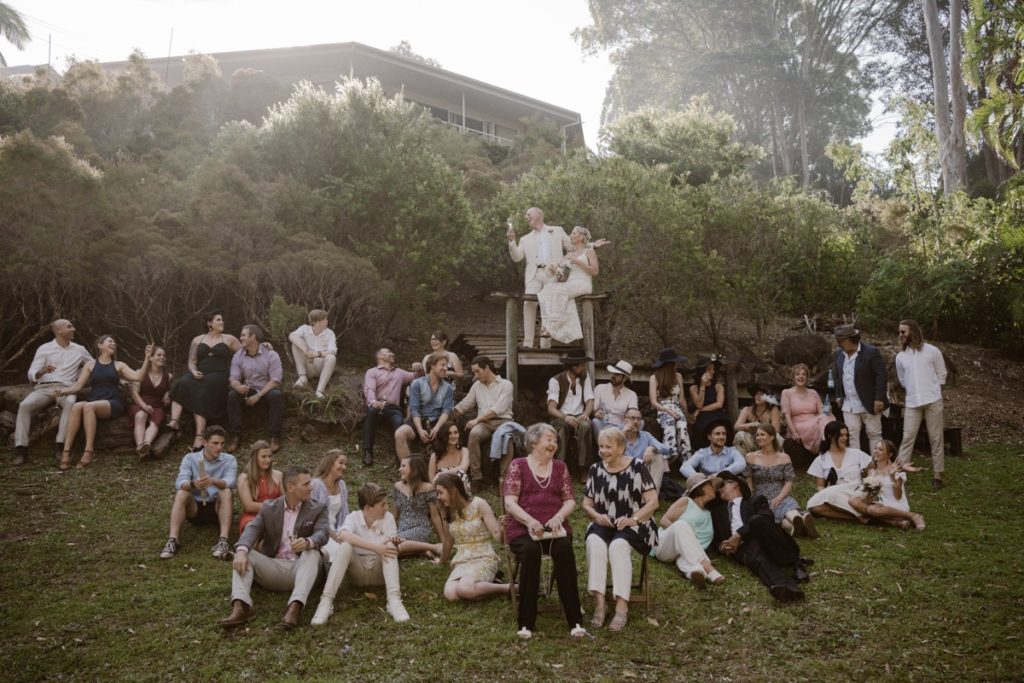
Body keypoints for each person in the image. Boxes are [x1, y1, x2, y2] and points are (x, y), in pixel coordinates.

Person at [503, 423, 588, 640]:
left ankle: (575, 619)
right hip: (523, 529)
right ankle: (526, 622)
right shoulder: (518, 465)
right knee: (531, 552)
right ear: (533, 442)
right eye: (549, 439)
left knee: (564, 549)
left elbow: (570, 501)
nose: (553, 444)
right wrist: (530, 521)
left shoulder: (560, 467)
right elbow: (510, 502)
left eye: (555, 441)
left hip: (555, 529)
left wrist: (559, 517)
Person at [218, 465, 328, 630]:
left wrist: (308, 542)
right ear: (290, 487)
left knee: (313, 553)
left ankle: (294, 608)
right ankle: (241, 607)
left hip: (303, 569)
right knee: (244, 552)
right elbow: (252, 530)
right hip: (274, 567)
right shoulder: (269, 507)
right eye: (306, 484)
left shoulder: (318, 507)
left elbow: (322, 533)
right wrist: (241, 551)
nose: (311, 487)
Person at [582, 427, 659, 632]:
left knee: (617, 546)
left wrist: (633, 519)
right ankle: (600, 604)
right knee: (594, 542)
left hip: (635, 523)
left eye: (608, 446)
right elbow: (586, 504)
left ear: (621, 447)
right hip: (604, 522)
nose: (603, 451)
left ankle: (622, 606)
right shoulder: (595, 469)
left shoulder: (637, 466)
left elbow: (653, 502)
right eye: (601, 446)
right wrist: (596, 516)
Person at [310, 483, 410, 626]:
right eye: (382, 505)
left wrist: (394, 544)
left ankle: (394, 600)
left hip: (380, 571)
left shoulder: (388, 518)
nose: (387, 508)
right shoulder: (353, 517)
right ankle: (326, 601)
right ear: (367, 508)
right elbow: (342, 535)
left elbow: (391, 549)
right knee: (345, 546)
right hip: (358, 572)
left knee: (389, 546)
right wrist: (375, 547)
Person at [711, 471, 810, 602]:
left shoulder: (755, 500)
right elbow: (715, 538)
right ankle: (789, 590)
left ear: (735, 484)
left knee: (756, 521)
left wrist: (739, 534)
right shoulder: (717, 512)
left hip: (769, 538)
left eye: (723, 485)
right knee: (760, 559)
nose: (719, 490)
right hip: (745, 548)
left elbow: (766, 517)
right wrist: (722, 547)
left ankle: (796, 562)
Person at [56, 337, 153, 470]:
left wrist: (147, 358)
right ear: (100, 345)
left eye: (114, 341)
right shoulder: (90, 365)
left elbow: (138, 377)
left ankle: (88, 450)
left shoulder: (119, 365)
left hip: (113, 401)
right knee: (77, 406)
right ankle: (66, 451)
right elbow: (78, 386)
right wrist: (63, 391)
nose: (113, 343)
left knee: (88, 406)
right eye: (110, 341)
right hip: (95, 399)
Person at [12, 319, 92, 466]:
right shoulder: (44, 348)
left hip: (66, 388)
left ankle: (60, 446)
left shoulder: (79, 349)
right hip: (44, 388)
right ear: (58, 330)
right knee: (24, 405)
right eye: (69, 327)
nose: (73, 329)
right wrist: (41, 371)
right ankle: (21, 449)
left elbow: (93, 365)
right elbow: (31, 373)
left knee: (71, 403)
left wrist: (81, 375)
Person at [159, 425, 237, 560]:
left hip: (217, 508)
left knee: (226, 492)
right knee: (181, 493)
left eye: (222, 443)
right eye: (215, 443)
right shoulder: (190, 458)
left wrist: (213, 481)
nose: (219, 447)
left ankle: (223, 541)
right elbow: (180, 483)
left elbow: (230, 482)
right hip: (195, 508)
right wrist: (193, 484)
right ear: (204, 442)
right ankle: (172, 541)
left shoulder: (229, 460)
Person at [168, 310, 242, 450]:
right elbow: (192, 361)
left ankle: (199, 436)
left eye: (222, 319)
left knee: (202, 388)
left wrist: (264, 346)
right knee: (182, 383)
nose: (222, 322)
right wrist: (193, 371)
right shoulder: (197, 340)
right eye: (218, 319)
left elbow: (245, 353)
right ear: (209, 323)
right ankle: (174, 421)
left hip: (219, 374)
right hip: (200, 372)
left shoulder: (229, 339)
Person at [435, 472, 509, 602]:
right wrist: (441, 561)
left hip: (483, 557)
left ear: (453, 490)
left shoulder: (479, 504)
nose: (438, 497)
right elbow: (448, 540)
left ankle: (508, 588)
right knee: (451, 594)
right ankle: (485, 584)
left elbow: (499, 538)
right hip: (462, 560)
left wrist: (502, 528)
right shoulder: (447, 509)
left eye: (441, 492)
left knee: (465, 589)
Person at [895, 319, 948, 490]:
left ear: (913, 331)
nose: (900, 335)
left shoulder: (932, 351)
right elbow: (903, 380)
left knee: (936, 438)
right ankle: (899, 475)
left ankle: (937, 475)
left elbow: (942, 373)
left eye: (903, 331)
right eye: (899, 332)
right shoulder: (900, 357)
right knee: (907, 437)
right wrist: (914, 390)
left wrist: (933, 389)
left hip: (933, 400)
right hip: (912, 402)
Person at [506, 207, 571, 348]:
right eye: (526, 215)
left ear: (539, 215)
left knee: (548, 305)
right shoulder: (525, 239)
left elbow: (572, 247)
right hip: (533, 274)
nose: (526, 217)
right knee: (528, 304)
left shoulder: (557, 230)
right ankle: (528, 343)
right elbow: (517, 257)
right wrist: (512, 241)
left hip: (552, 273)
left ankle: (545, 344)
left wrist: (564, 263)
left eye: (529, 214)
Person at [451, 355, 514, 490]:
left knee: (507, 438)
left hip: (503, 421)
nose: (475, 375)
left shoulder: (506, 384)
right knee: (474, 433)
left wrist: (477, 419)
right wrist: (449, 416)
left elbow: (498, 409)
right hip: (485, 424)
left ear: (486, 368)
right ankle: (476, 478)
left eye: (477, 371)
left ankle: (503, 479)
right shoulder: (477, 386)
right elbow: (466, 404)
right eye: (474, 372)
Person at [744, 424, 817, 538]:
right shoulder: (750, 457)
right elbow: (748, 482)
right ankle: (800, 524)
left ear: (772, 437)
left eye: (762, 434)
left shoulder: (784, 457)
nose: (758, 437)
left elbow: (789, 482)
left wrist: (780, 497)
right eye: (757, 435)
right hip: (761, 497)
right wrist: (751, 499)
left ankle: (797, 520)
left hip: (781, 493)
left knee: (787, 505)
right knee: (773, 513)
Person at [655, 474, 725, 586]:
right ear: (702, 488)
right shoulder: (686, 501)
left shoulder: (708, 514)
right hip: (665, 545)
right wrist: (685, 536)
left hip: (684, 554)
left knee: (690, 564)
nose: (714, 489)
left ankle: (698, 573)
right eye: (711, 485)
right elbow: (664, 521)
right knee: (681, 525)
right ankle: (708, 567)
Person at [226, 324, 284, 454]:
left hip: (265, 391)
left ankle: (274, 436)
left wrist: (258, 396)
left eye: (243, 335)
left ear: (253, 337)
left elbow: (275, 380)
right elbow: (233, 377)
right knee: (232, 395)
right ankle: (235, 436)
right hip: (248, 390)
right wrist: (237, 386)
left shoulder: (271, 354)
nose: (240, 338)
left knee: (276, 395)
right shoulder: (238, 355)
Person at [536, 225, 599, 344]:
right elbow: (563, 278)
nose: (571, 235)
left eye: (574, 233)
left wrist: (577, 261)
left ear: (581, 237)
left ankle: (551, 327)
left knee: (557, 290)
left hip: (583, 283)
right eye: (571, 233)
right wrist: (556, 271)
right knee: (547, 288)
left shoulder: (589, 251)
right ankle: (548, 326)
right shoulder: (569, 254)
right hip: (570, 283)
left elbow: (595, 271)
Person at [832, 323, 888, 453]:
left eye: (840, 341)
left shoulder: (871, 352)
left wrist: (879, 398)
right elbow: (838, 376)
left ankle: (877, 462)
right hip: (849, 403)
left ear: (849, 339)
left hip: (870, 401)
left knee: (874, 434)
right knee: (851, 435)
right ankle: (856, 464)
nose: (839, 344)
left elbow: (881, 375)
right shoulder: (838, 354)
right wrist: (839, 395)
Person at [805, 421, 874, 522]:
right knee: (813, 506)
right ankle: (855, 517)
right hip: (834, 495)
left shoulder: (856, 453)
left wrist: (869, 484)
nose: (845, 438)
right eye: (841, 435)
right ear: (830, 436)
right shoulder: (821, 459)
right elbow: (820, 486)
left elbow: (872, 470)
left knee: (822, 500)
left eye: (846, 435)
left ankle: (857, 513)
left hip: (856, 492)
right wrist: (825, 496)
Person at [362, 348, 420, 466]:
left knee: (398, 422)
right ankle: (367, 451)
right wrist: (373, 401)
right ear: (380, 356)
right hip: (378, 405)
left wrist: (419, 367)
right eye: (388, 352)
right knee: (371, 413)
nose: (392, 353)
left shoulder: (400, 372)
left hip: (394, 409)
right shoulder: (372, 372)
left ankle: (399, 456)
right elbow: (369, 389)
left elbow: (417, 376)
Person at [395, 352, 453, 461]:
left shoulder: (448, 388)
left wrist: (436, 429)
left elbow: (446, 410)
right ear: (432, 365)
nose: (446, 368)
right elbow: (414, 409)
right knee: (399, 434)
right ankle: (408, 468)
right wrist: (420, 430)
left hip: (437, 421)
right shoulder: (417, 383)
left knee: (452, 434)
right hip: (418, 420)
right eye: (442, 365)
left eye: (446, 365)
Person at [856, 440, 926, 530]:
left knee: (871, 509)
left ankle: (912, 515)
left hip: (896, 505)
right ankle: (896, 522)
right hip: (880, 504)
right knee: (853, 501)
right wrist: (868, 495)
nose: (876, 451)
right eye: (875, 448)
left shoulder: (896, 470)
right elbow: (870, 498)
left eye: (880, 449)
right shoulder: (872, 471)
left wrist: (892, 476)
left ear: (889, 455)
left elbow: (898, 496)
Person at [547, 349, 595, 474]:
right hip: (561, 417)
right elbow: (551, 408)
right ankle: (559, 467)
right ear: (573, 366)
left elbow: (590, 400)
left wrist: (586, 414)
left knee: (586, 425)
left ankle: (583, 468)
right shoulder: (555, 380)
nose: (584, 368)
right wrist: (565, 417)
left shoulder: (585, 378)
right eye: (582, 365)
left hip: (579, 415)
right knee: (561, 428)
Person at [394, 455, 445, 558]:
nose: (400, 469)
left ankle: (433, 547)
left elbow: (435, 517)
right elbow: (395, 515)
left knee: (391, 546)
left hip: (420, 528)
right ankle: (422, 549)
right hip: (402, 529)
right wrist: (388, 531)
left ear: (414, 469)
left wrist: (444, 541)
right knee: (390, 545)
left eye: (403, 466)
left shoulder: (427, 488)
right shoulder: (398, 486)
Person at [128, 344, 172, 460]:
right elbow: (134, 393)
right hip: (140, 404)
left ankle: (147, 444)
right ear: (151, 358)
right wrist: (144, 405)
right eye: (159, 355)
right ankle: (139, 447)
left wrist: (167, 394)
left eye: (164, 355)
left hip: (156, 407)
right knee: (141, 415)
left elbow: (168, 388)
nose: (162, 357)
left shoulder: (168, 376)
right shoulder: (140, 372)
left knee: (156, 421)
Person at [781, 363, 833, 459]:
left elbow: (822, 411)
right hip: (798, 426)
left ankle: (825, 441)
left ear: (807, 377)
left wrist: (828, 410)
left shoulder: (813, 392)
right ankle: (825, 444)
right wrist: (794, 433)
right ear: (793, 377)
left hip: (815, 423)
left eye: (803, 374)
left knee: (828, 416)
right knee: (823, 420)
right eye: (797, 374)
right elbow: (787, 416)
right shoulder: (787, 393)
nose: (801, 376)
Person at [648, 348, 691, 462]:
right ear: (669, 364)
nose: (677, 365)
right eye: (675, 363)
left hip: (677, 408)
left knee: (682, 427)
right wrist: (668, 411)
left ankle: (686, 460)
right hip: (663, 409)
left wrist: (687, 416)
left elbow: (682, 400)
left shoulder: (678, 376)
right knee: (670, 424)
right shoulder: (654, 378)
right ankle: (667, 457)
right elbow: (653, 402)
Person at [310, 449, 350, 562]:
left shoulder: (342, 485)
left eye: (345, 464)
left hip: (338, 530)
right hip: (320, 531)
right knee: (338, 551)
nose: (344, 467)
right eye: (341, 463)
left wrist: (343, 533)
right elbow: (314, 517)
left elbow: (345, 514)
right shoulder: (316, 484)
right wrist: (334, 536)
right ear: (330, 463)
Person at [288, 309, 338, 398]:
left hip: (321, 366)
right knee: (295, 343)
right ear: (316, 322)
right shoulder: (304, 328)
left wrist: (317, 354)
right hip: (307, 365)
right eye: (324, 319)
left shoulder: (330, 333)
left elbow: (333, 350)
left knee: (331, 357)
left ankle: (319, 391)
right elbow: (292, 336)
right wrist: (306, 351)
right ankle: (302, 377)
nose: (327, 321)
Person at [237, 440, 283, 535]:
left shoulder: (278, 475)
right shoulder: (244, 478)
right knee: (252, 530)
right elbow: (249, 506)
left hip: (276, 515)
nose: (268, 460)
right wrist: (274, 506)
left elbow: (286, 499)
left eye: (270, 456)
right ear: (255, 458)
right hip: (253, 516)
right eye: (263, 457)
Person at [622, 407, 671, 493]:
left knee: (658, 455)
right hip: (623, 474)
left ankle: (653, 494)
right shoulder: (617, 434)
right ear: (625, 420)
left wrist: (652, 448)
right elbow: (608, 454)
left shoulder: (646, 435)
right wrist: (622, 435)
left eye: (638, 419)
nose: (636, 422)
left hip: (643, 473)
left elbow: (666, 449)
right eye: (632, 418)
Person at [679, 418, 746, 479]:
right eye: (717, 434)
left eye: (724, 434)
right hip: (707, 484)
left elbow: (741, 463)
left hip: (727, 484)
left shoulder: (732, 451)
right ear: (709, 437)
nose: (721, 437)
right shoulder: (702, 453)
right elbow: (685, 467)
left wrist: (719, 475)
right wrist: (700, 479)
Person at [592, 360, 639, 436]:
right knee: (595, 421)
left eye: (617, 375)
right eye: (613, 373)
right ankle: (603, 442)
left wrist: (626, 422)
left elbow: (633, 414)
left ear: (624, 378)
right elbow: (593, 409)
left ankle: (620, 441)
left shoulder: (631, 395)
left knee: (639, 423)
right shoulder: (600, 388)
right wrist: (596, 413)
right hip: (603, 424)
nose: (613, 376)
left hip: (621, 427)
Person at [689, 356, 727, 450]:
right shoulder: (693, 388)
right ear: (702, 371)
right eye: (709, 369)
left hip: (716, 414)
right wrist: (702, 385)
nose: (712, 371)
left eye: (713, 369)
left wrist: (699, 410)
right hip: (703, 417)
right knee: (702, 427)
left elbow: (719, 404)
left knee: (718, 426)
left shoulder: (718, 387)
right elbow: (699, 404)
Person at [733, 383, 782, 454]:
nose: (758, 396)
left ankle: (772, 459)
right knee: (739, 435)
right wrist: (750, 425)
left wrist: (762, 428)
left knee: (777, 437)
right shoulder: (747, 409)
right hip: (752, 440)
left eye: (761, 394)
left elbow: (776, 430)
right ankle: (743, 459)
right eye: (756, 394)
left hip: (767, 440)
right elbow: (736, 427)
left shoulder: (773, 410)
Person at [430, 423, 472, 493]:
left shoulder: (464, 451)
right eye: (449, 433)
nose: (453, 436)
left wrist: (441, 474)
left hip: (460, 492)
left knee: (461, 473)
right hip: (442, 491)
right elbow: (432, 480)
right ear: (443, 436)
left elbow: (463, 468)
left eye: (455, 433)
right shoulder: (434, 456)